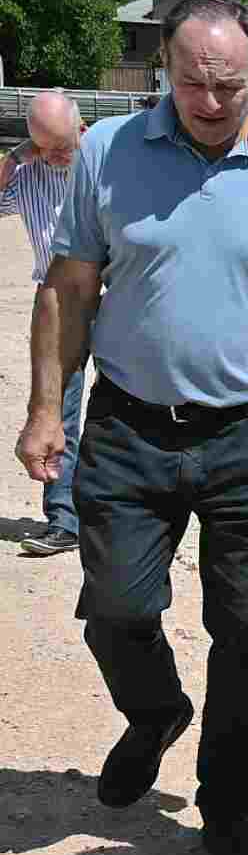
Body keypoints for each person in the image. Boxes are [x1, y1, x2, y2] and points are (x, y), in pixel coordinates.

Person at [15, 0, 248, 855]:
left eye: (229, 85)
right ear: (164, 69)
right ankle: (156, 710)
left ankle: (228, 808)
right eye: (192, 82)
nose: (209, 101)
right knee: (118, 607)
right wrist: (47, 407)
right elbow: (68, 288)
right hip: (130, 426)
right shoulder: (109, 151)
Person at [1, 90, 87, 556]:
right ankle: (64, 520)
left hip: (115, 296)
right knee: (56, 409)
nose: (54, 157)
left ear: (81, 128)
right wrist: (16, 158)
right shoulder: (27, 173)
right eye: (44, 147)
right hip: (55, 303)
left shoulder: (104, 164)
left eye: (62, 145)